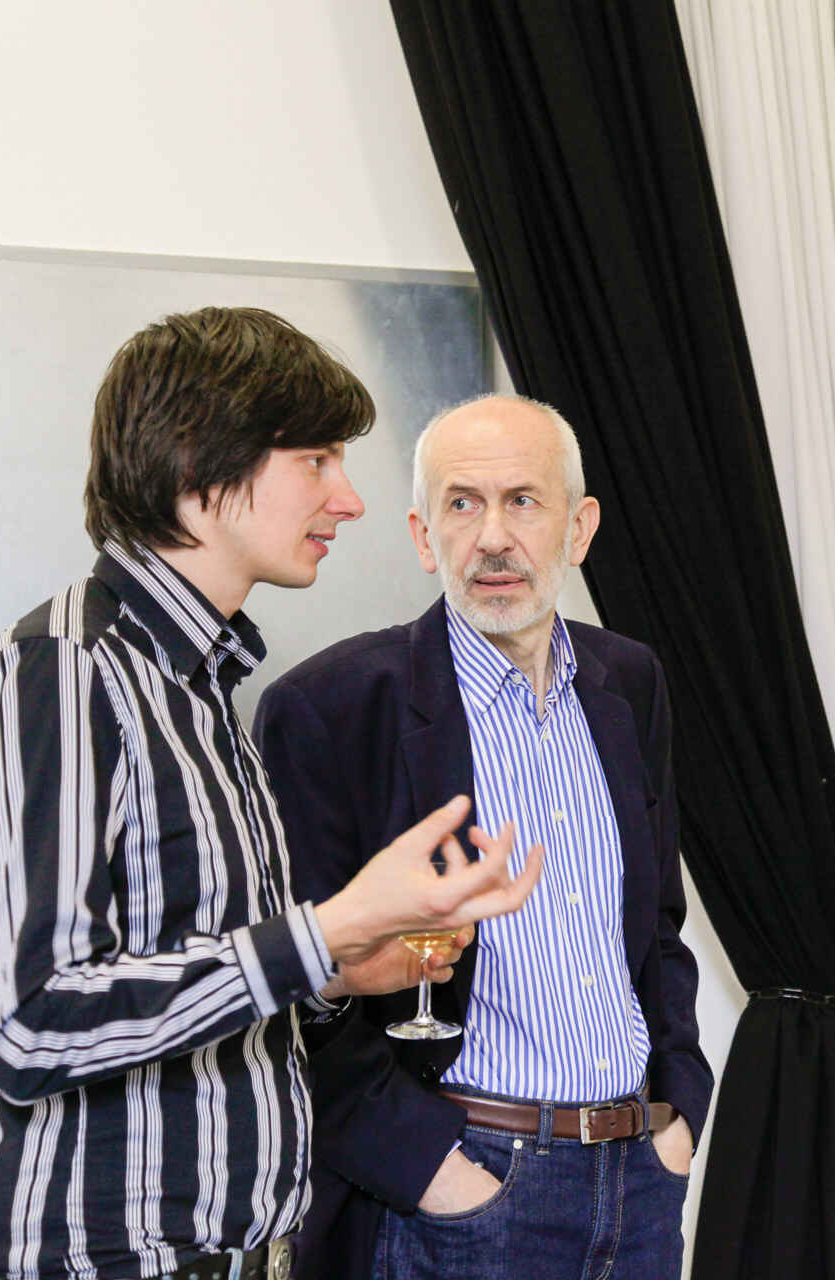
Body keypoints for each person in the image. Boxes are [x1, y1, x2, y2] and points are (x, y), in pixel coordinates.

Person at [0, 308, 545, 1280]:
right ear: (198, 467)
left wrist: (339, 969)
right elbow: (32, 1023)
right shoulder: (62, 669)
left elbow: (189, 980)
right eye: (315, 460)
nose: (349, 499)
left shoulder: (201, 692)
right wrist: (334, 923)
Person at [254, 394, 711, 1280]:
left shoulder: (631, 682)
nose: (493, 538)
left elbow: (657, 926)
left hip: (639, 1186)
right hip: (457, 1192)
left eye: (523, 501)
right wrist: (436, 1176)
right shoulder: (332, 707)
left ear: (579, 528)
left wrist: (679, 1115)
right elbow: (296, 985)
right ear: (424, 537)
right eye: (462, 504)